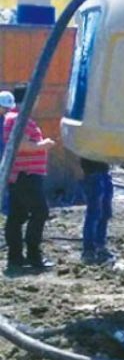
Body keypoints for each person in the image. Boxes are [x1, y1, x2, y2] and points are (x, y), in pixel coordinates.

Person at [2, 89, 55, 274]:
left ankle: (16, 258)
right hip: (26, 175)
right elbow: (21, 145)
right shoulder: (18, 119)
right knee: (40, 212)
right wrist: (44, 144)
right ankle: (33, 256)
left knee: (16, 217)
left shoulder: (15, 118)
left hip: (21, 175)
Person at [79, 155, 114, 264]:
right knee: (94, 213)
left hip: (104, 172)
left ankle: (100, 245)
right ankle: (88, 249)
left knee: (105, 212)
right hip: (92, 173)